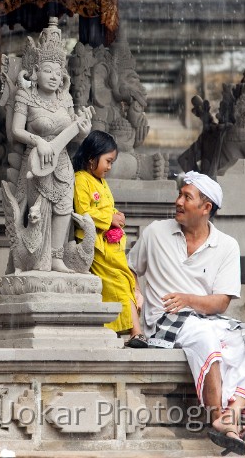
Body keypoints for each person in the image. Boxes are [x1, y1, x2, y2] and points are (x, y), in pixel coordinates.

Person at [127, 171, 245, 456]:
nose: (178, 201)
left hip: (207, 318)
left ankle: (233, 415)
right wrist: (135, 291)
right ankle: (217, 416)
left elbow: (221, 302)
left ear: (206, 208)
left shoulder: (227, 246)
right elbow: (128, 269)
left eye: (187, 197)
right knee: (205, 337)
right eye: (180, 194)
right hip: (164, 322)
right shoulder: (155, 232)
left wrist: (188, 299)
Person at [7, 18, 91, 273]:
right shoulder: (26, 96)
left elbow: (72, 133)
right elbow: (15, 131)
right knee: (40, 209)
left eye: (57, 71)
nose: (54, 76)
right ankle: (36, 259)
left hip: (62, 161)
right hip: (36, 162)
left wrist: (83, 132)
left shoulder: (64, 98)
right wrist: (38, 141)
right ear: (35, 72)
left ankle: (56, 257)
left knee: (64, 205)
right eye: (47, 70)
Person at [72, 131, 147, 347]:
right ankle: (136, 332)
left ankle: (130, 332)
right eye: (108, 161)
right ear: (91, 157)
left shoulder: (101, 182)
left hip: (111, 244)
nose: (109, 167)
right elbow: (83, 212)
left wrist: (116, 215)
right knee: (121, 282)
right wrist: (109, 218)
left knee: (127, 280)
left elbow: (106, 207)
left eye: (112, 162)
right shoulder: (80, 180)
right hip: (96, 246)